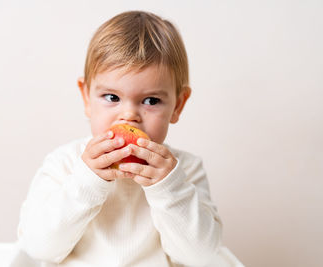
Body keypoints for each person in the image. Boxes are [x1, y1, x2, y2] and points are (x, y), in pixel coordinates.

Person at [17, 10, 243, 267]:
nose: (129, 116)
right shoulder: (64, 163)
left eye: (151, 101)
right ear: (86, 97)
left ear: (178, 105)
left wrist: (169, 188)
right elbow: (37, 248)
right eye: (112, 97)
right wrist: (87, 181)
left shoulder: (185, 171)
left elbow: (202, 256)